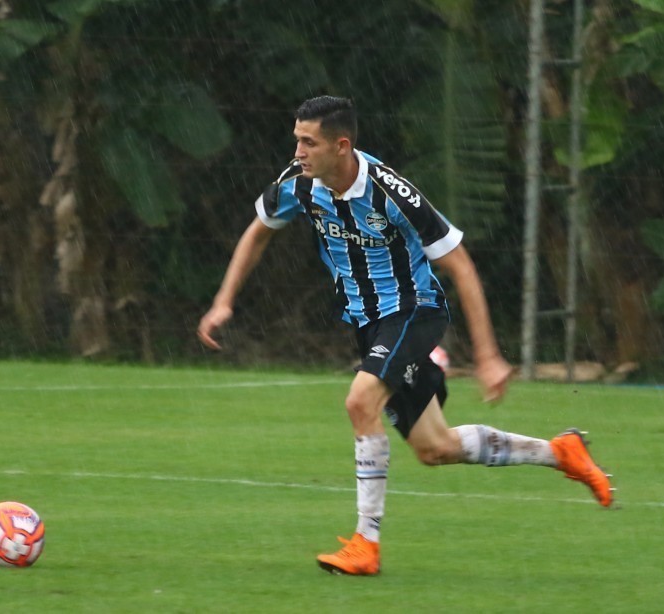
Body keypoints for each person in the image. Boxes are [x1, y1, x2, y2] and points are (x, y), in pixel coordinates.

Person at [197, 95, 613, 576]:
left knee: (360, 402)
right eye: (296, 140)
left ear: (341, 145)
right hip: (369, 325)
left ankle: (365, 545)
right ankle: (560, 452)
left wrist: (488, 355)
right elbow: (258, 231)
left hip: (414, 312)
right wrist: (224, 301)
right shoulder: (299, 184)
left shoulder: (391, 192)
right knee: (435, 448)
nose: (298, 152)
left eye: (308, 142)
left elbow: (459, 264)